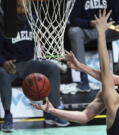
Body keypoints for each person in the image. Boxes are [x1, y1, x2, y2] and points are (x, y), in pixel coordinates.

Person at [33, 10, 119, 134]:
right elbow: (84, 116)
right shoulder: (111, 93)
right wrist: (52, 110)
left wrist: (82, 66)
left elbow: (109, 76)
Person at [0, 0, 69, 132]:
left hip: (29, 63)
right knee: (2, 74)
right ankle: (8, 115)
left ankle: (52, 112)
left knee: (51, 67)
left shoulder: (33, 20)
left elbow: (41, 41)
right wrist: (3, 62)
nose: (25, 9)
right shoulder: (3, 24)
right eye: (21, 6)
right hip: (11, 66)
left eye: (27, 6)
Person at [68, 0, 119, 92]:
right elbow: (73, 19)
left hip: (108, 29)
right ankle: (83, 76)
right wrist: (91, 23)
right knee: (74, 31)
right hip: (89, 30)